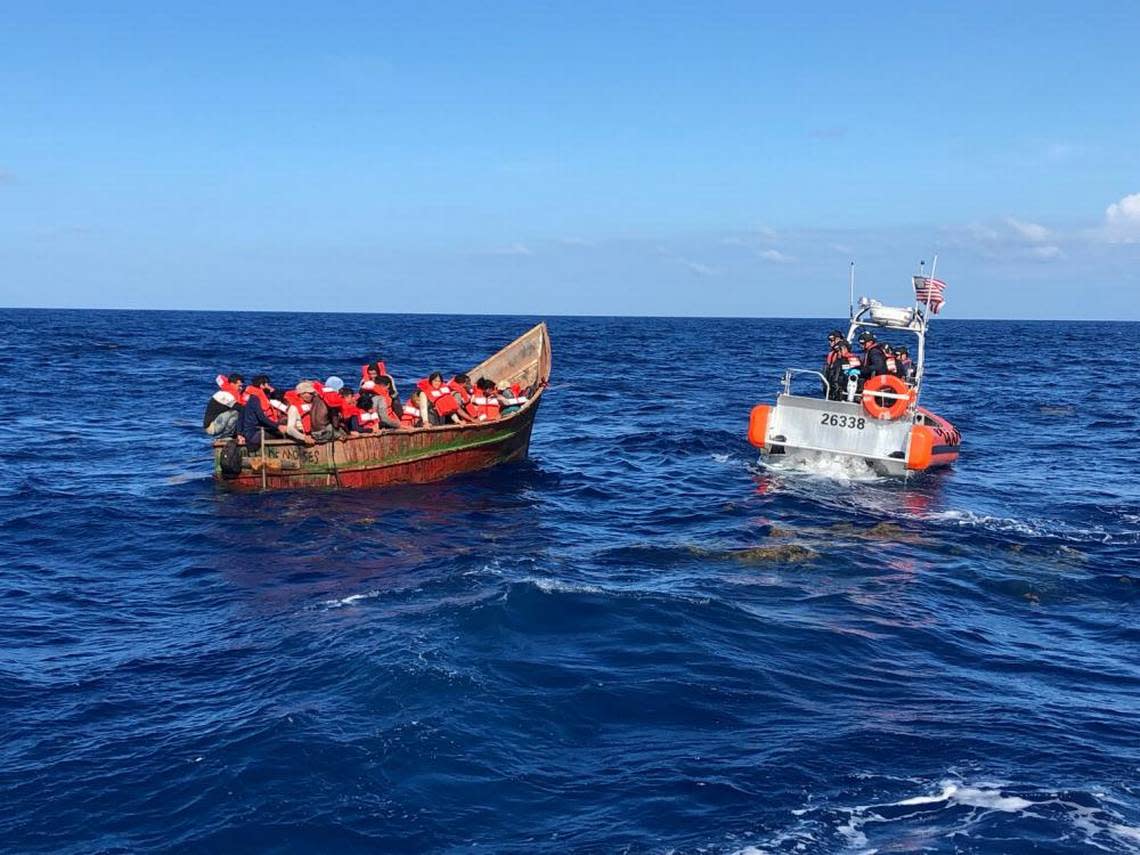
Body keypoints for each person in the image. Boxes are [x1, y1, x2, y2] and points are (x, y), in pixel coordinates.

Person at [240, 375, 283, 451]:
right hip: (253, 434)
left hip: (251, 432)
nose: (269, 386)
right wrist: (278, 426)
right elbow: (262, 418)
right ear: (262, 385)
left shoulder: (250, 396)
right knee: (281, 433)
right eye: (267, 384)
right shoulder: (255, 399)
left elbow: (241, 416)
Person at [203, 373, 245, 439]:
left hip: (218, 422)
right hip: (211, 427)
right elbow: (240, 408)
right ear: (232, 384)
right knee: (235, 412)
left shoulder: (229, 393)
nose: (241, 388)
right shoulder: (224, 395)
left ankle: (233, 434)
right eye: (239, 386)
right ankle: (226, 436)